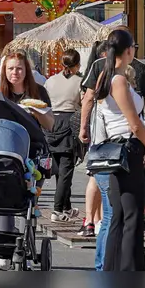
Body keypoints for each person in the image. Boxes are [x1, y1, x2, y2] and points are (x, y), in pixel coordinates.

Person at [77, 29, 145, 267]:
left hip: (115, 149)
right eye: (133, 47)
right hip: (127, 148)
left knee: (119, 215)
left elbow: (91, 101)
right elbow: (133, 122)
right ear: (128, 49)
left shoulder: (105, 75)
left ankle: (113, 269)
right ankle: (129, 269)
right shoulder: (118, 80)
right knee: (131, 215)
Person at [45, 49, 85, 221]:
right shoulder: (80, 81)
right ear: (77, 65)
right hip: (70, 122)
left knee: (59, 170)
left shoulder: (50, 81)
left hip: (51, 121)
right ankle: (57, 209)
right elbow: (84, 103)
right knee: (66, 169)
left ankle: (66, 207)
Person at [0, 51, 54, 129]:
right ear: (4, 71)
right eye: (10, 68)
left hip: (32, 139)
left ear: (26, 70)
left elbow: (50, 126)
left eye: (19, 68)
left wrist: (38, 113)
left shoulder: (39, 91)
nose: (14, 72)